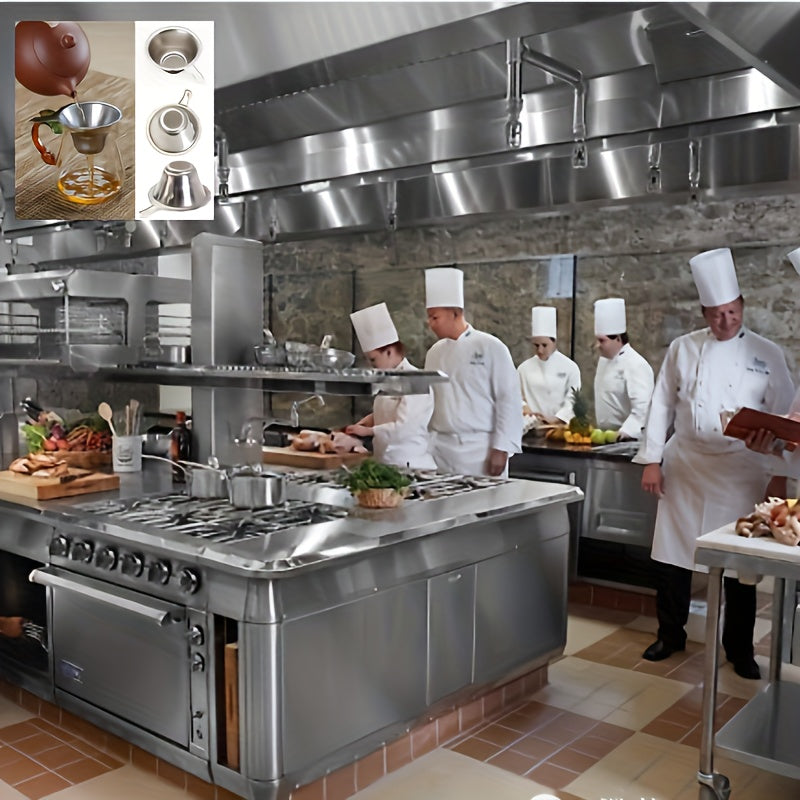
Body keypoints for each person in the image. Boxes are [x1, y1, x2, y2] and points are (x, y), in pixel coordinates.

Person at [634, 247, 794, 679]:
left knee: (739, 565)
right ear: (704, 313)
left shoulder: (767, 353)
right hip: (686, 465)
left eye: (732, 312)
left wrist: (777, 470)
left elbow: (785, 416)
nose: (726, 321)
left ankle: (739, 650)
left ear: (742, 305)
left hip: (741, 470)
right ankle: (670, 635)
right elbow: (661, 403)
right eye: (717, 314)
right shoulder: (682, 348)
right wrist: (651, 460)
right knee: (672, 558)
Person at [423, 267, 522, 477]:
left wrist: (502, 448)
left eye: (435, 317)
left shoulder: (491, 346)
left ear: (455, 313)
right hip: (440, 449)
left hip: (480, 450)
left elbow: (508, 398)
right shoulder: (434, 353)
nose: (430, 324)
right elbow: (427, 400)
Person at [344, 302, 437, 470]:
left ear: (389, 352)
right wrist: (368, 421)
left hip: (409, 464)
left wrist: (369, 432)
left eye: (373, 360)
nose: (372, 366)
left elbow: (405, 427)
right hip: (385, 461)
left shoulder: (415, 381)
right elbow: (389, 411)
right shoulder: (389, 379)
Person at [593, 297, 654, 440]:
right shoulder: (603, 361)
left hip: (628, 439)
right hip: (605, 438)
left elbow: (643, 408)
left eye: (602, 341)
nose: (597, 346)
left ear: (618, 339)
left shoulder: (636, 364)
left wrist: (623, 433)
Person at [517, 306, 581, 424]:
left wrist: (556, 418)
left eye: (544, 345)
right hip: (531, 427)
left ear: (554, 342)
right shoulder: (523, 369)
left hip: (559, 428)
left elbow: (573, 399)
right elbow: (515, 395)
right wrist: (524, 407)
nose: (540, 350)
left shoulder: (570, 367)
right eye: (536, 345)